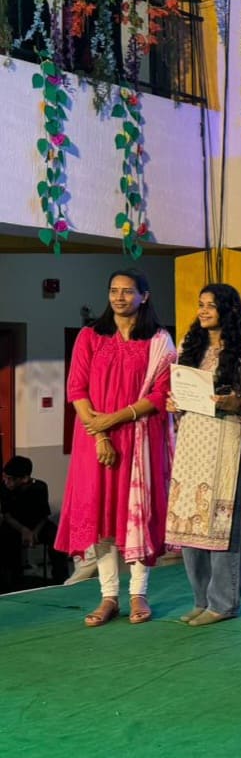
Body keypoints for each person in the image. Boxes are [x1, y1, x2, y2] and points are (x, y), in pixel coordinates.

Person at [54, 267, 175, 625]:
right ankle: (109, 597)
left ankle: (139, 594)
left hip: (140, 437)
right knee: (102, 517)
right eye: (114, 291)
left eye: (127, 291)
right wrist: (101, 434)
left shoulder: (158, 340)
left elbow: (162, 394)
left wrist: (115, 419)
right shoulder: (91, 336)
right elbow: (76, 389)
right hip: (94, 440)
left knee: (137, 514)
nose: (119, 297)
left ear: (144, 296)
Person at [166, 284, 241, 626]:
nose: (203, 311)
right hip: (192, 440)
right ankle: (201, 599)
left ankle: (224, 602)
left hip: (225, 439)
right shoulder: (189, 346)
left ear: (227, 310)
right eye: (200, 304)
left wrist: (236, 403)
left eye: (211, 305)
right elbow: (180, 392)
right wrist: (174, 404)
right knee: (190, 519)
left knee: (222, 523)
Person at [0, 455, 69, 585]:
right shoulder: (4, 488)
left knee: (56, 534)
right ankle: (11, 580)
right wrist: (24, 530)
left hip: (38, 525)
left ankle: (61, 578)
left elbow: (44, 515)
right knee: (5, 537)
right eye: (4, 477)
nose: (6, 482)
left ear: (25, 478)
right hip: (15, 525)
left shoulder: (40, 487)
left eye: (10, 479)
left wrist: (35, 532)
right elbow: (7, 515)